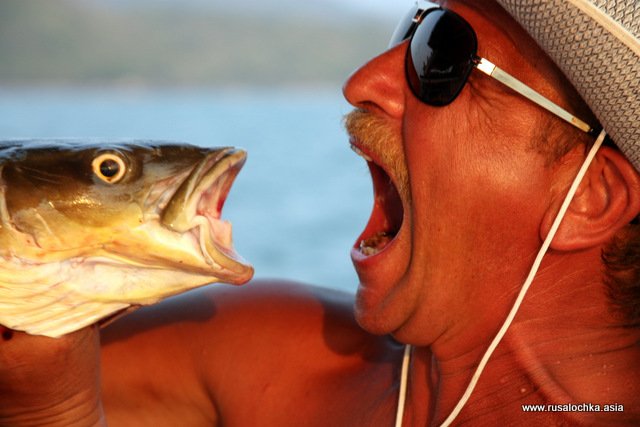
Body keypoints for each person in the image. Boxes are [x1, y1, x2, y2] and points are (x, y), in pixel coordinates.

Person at [1, 0, 639, 425]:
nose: (363, 79)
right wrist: (50, 391)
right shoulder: (252, 343)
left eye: (442, 53)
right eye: (409, 30)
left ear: (589, 198)